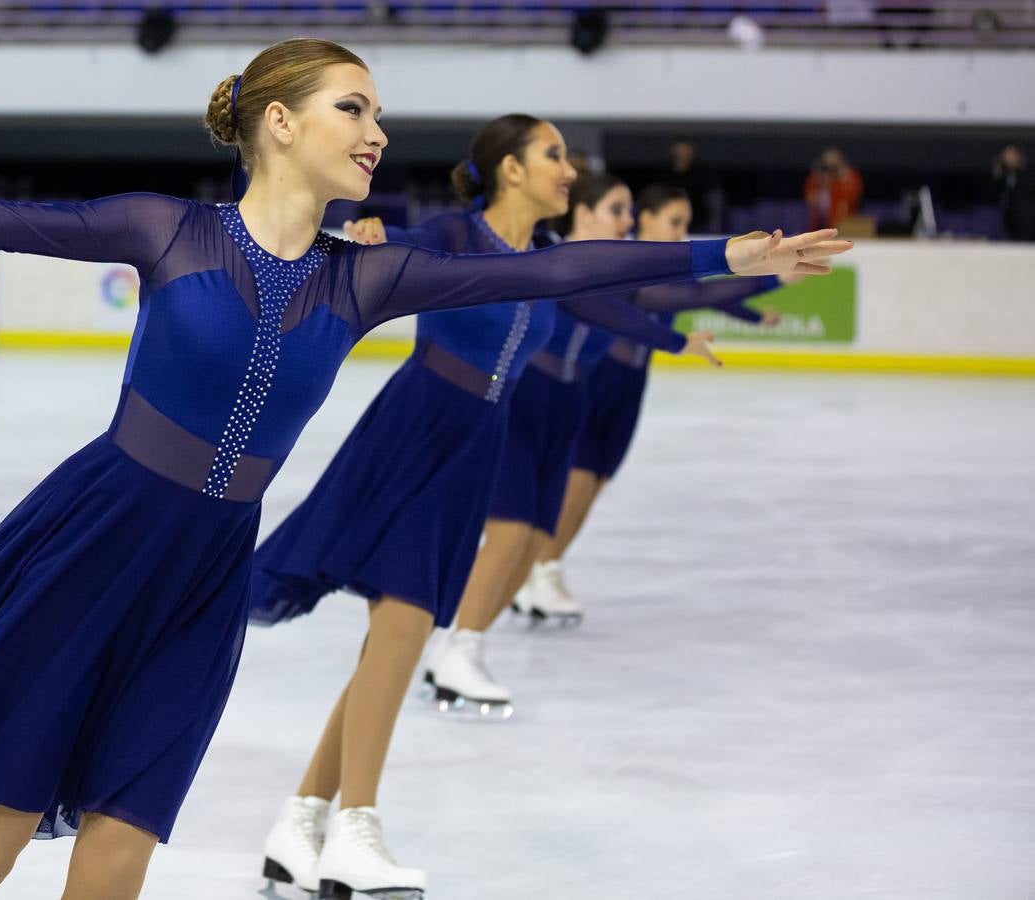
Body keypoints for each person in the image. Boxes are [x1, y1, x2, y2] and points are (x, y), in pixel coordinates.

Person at [0, 38, 846, 900]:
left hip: (204, 577)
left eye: (379, 112)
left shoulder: (365, 280)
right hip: (95, 541)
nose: (376, 131)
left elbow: (548, 275)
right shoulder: (165, 233)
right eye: (353, 107)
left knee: (125, 838)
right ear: (278, 122)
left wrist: (722, 253)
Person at [250, 117, 720, 899]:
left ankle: (301, 823)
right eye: (554, 155)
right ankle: (354, 829)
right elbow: (390, 241)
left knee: (394, 643)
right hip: (421, 425)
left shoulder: (543, 260)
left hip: (478, 440)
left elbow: (609, 304)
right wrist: (365, 232)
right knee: (400, 627)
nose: (569, 170)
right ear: (510, 170)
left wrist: (679, 338)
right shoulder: (455, 235)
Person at [430, 180, 799, 713]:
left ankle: (460, 646)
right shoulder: (555, 261)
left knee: (533, 539)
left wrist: (752, 282)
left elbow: (683, 296)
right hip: (524, 398)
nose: (625, 221)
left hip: (569, 402)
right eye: (616, 210)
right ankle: (459, 643)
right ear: (583, 213)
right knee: (511, 535)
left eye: (628, 210)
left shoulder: (613, 276)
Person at [805, 147, 863, 230]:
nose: (830, 172)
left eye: (833, 168)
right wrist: (822, 184)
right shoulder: (815, 179)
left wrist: (841, 181)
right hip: (818, 224)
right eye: (827, 167)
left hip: (844, 224)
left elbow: (853, 198)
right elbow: (810, 200)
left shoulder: (849, 177)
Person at [992, 144, 1035, 241]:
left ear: (1018, 157)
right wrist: (998, 168)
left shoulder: (1028, 174)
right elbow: (997, 191)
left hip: (1026, 215)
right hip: (1009, 214)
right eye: (1006, 155)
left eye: (1010, 155)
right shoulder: (1006, 175)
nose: (1007, 158)